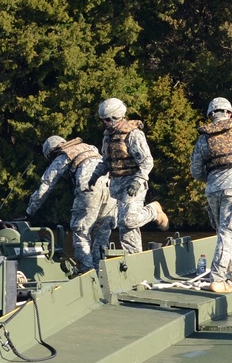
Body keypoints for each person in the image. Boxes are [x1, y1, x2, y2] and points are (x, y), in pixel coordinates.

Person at [189, 97, 232, 293]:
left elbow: (195, 170)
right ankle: (218, 278)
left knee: (223, 231)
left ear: (211, 115)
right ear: (229, 113)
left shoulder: (204, 139)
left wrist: (211, 179)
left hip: (213, 190)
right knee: (228, 232)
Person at [24, 135, 116, 274]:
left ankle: (88, 275)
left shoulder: (63, 156)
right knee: (101, 237)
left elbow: (46, 185)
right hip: (111, 190)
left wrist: (29, 212)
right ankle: (101, 275)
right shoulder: (90, 147)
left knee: (81, 234)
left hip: (89, 190)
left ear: (51, 153)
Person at [94, 97, 168, 253]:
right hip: (117, 185)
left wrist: (139, 180)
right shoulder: (107, 136)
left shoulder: (133, 134)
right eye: (103, 120)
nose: (105, 123)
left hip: (134, 183)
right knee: (125, 227)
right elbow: (106, 161)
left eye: (108, 120)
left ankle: (153, 211)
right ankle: (133, 258)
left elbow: (147, 162)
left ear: (116, 117)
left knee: (128, 220)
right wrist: (94, 176)